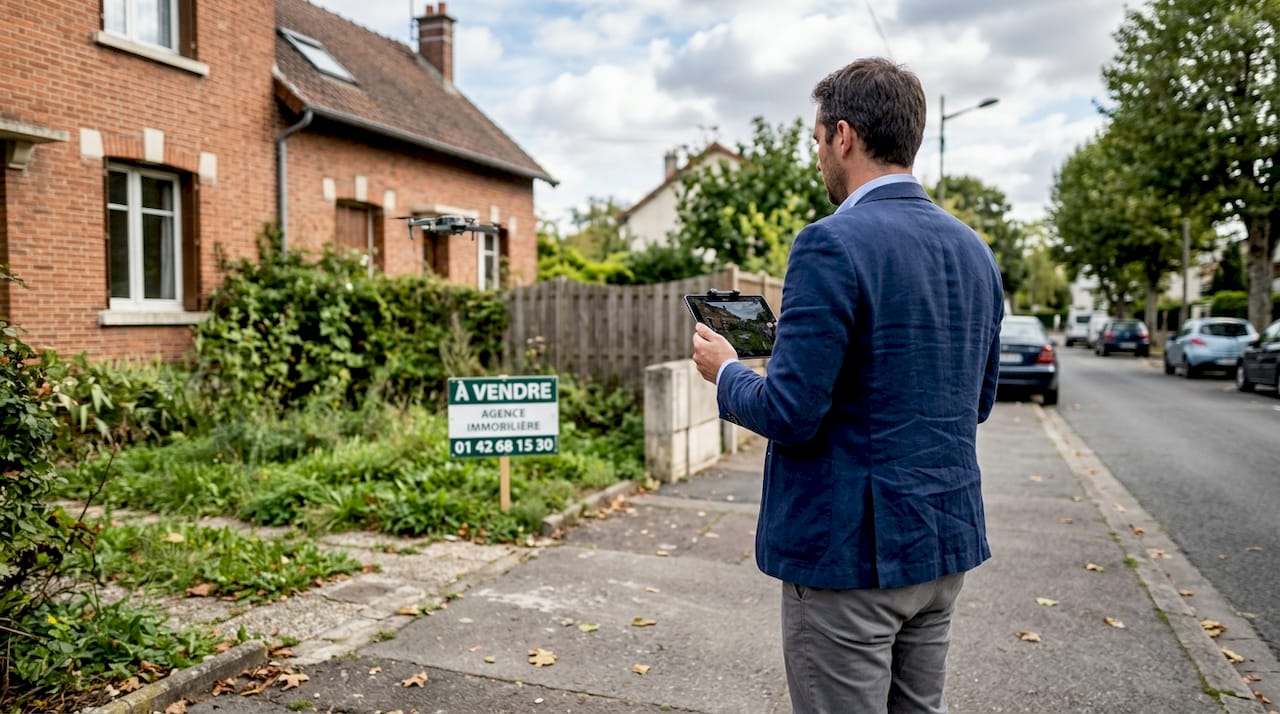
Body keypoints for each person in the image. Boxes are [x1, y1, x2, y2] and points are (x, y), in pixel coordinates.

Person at [691, 58, 1004, 714]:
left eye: (815, 142)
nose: (818, 159)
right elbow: (975, 401)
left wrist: (727, 372)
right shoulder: (976, 252)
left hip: (851, 559)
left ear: (843, 136)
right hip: (942, 547)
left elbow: (791, 412)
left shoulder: (829, 244)